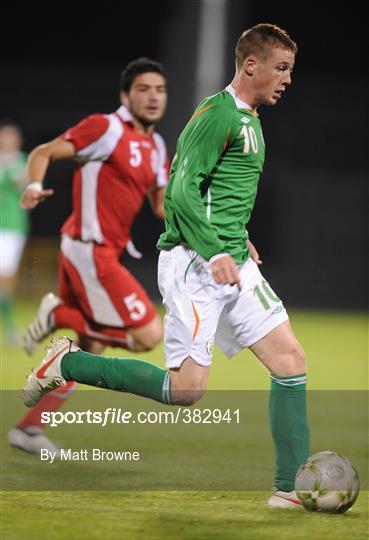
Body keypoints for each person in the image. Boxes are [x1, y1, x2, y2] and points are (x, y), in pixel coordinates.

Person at [22, 24, 309, 508]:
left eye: (290, 70)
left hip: (232, 260)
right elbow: (180, 192)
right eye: (280, 68)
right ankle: (66, 362)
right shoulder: (216, 116)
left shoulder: (251, 119)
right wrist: (216, 249)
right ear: (250, 65)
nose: (286, 79)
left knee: (290, 361)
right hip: (196, 264)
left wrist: (238, 239)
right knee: (186, 390)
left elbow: (220, 195)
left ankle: (292, 489)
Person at [9, 58, 170, 455]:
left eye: (160, 90)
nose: (152, 97)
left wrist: (208, 217)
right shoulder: (106, 127)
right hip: (89, 252)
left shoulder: (156, 146)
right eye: (143, 89)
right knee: (148, 334)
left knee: (88, 351)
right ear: (124, 95)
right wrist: (32, 185)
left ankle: (28, 429)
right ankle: (56, 315)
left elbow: (162, 207)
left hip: (97, 253)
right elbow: (44, 152)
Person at [0, 121, 29, 344]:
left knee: (5, 279)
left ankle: (9, 329)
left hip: (10, 227)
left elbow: (23, 183)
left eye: (11, 136)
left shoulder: (20, 161)